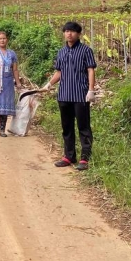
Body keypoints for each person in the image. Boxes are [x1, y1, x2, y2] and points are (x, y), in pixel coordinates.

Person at [43, 21, 97, 171]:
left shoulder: (86, 51)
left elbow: (90, 70)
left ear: (78, 34)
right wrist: (49, 84)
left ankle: (84, 158)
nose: (69, 34)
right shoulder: (61, 52)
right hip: (64, 95)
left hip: (80, 95)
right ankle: (69, 156)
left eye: (72, 31)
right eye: (66, 31)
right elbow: (59, 72)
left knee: (83, 127)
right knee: (67, 127)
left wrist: (91, 90)